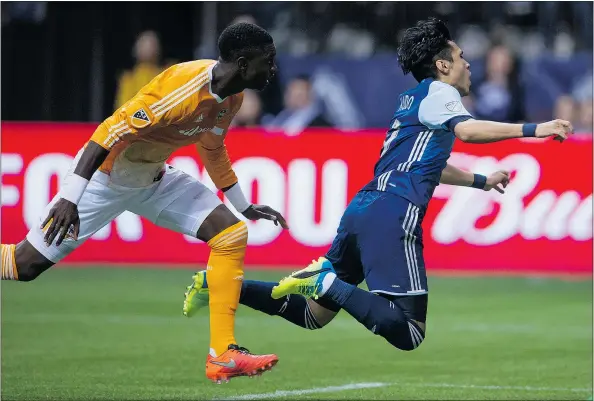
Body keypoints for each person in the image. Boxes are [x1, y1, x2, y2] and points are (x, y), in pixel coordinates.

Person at [183, 18, 572, 353]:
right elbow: (468, 132)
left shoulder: (411, 100)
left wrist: (481, 180)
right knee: (409, 332)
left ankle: (218, 284)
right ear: (442, 65)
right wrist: (536, 129)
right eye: (462, 57)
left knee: (311, 315)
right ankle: (325, 280)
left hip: (364, 209)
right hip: (393, 212)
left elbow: (427, 164)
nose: (469, 64)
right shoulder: (441, 93)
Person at [0, 22, 288, 383]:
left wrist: (242, 204)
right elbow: (107, 132)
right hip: (106, 179)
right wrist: (70, 199)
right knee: (23, 265)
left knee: (231, 233)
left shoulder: (233, 97)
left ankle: (223, 355)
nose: (273, 69)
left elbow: (212, 149)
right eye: (269, 60)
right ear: (244, 64)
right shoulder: (181, 88)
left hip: (153, 178)